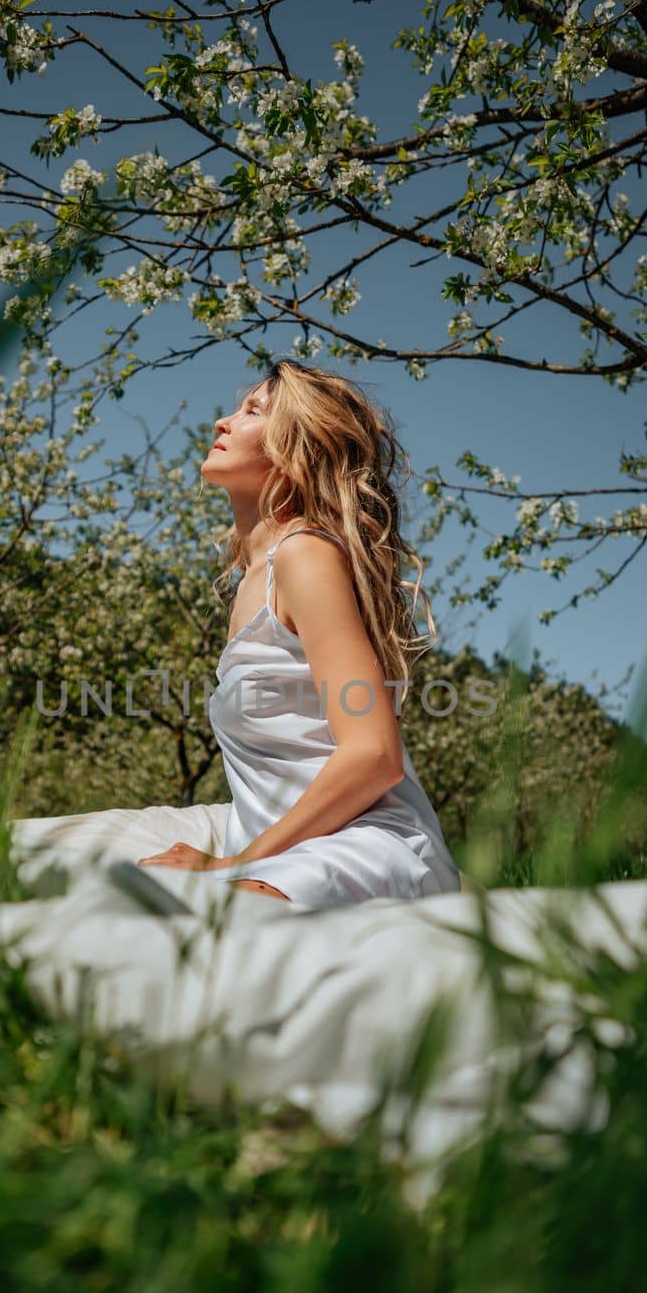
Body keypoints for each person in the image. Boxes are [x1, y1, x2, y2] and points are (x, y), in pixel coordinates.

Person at [136, 357, 461, 909]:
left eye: (253, 411)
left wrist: (237, 862)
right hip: (282, 846)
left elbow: (373, 754)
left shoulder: (303, 555)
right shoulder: (251, 581)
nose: (223, 422)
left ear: (294, 455)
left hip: (354, 851)